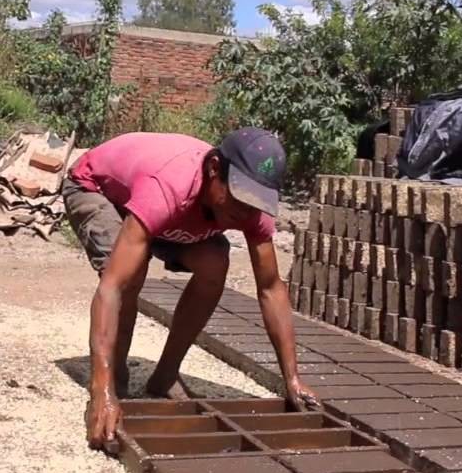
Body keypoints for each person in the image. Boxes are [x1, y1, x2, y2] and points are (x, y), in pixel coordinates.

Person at [62, 128, 320, 450]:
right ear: (214, 169)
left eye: (256, 203)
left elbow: (270, 288)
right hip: (98, 189)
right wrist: (102, 391)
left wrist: (292, 378)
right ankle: (113, 381)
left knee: (214, 261)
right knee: (131, 274)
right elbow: (112, 287)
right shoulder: (169, 185)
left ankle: (165, 376)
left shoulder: (250, 211)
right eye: (240, 196)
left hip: (164, 212)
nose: (245, 212)